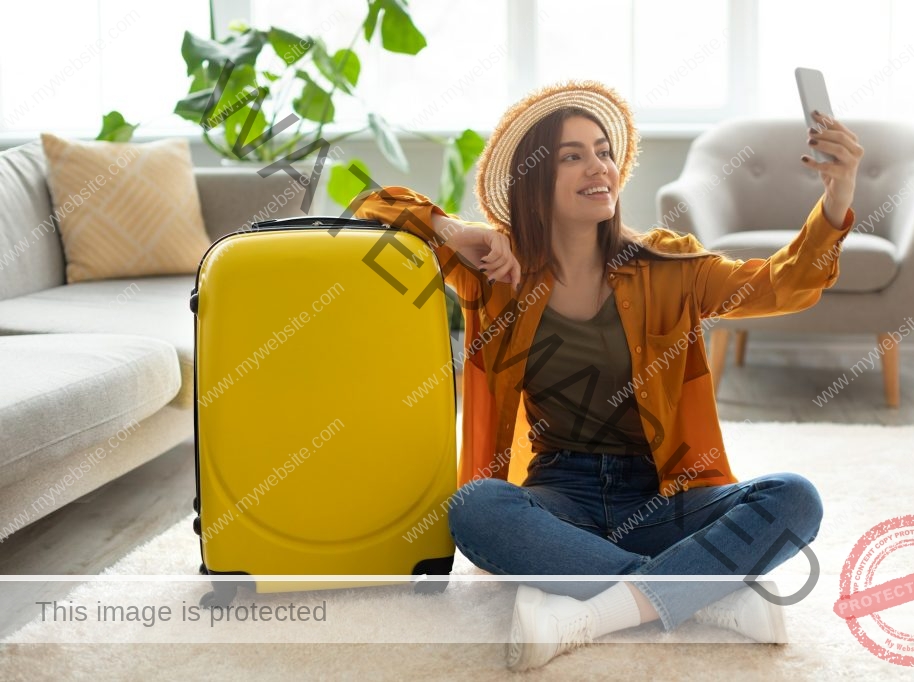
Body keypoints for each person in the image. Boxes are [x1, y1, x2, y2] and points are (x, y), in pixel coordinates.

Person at [353, 79, 862, 672]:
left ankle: (590, 610)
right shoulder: (493, 271)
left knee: (794, 499)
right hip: (559, 497)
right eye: (572, 155)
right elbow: (374, 208)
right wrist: (452, 231)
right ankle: (695, 598)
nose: (598, 166)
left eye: (603, 151)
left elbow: (784, 285)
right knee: (476, 507)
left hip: (664, 498)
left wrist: (838, 193)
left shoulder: (667, 263)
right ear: (533, 181)